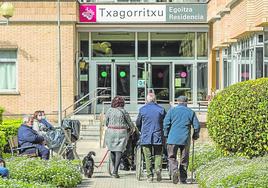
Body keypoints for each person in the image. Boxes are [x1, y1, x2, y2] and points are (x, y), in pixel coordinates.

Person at [163, 96, 200, 184]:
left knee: (171, 157)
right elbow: (197, 126)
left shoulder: (172, 111)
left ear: (177, 102)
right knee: (184, 159)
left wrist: (166, 135)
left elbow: (166, 124)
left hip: (172, 138)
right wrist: (195, 135)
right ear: (186, 102)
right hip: (185, 139)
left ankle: (175, 170)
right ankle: (183, 179)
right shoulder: (191, 112)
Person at [136, 93, 166, 182]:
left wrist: (141, 130)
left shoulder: (142, 109)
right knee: (158, 154)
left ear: (147, 100)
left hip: (146, 135)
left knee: (147, 156)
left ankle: (149, 176)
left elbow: (138, 123)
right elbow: (166, 121)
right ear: (155, 99)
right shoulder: (161, 109)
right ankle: (157, 169)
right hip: (158, 134)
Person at [104, 96, 135, 178]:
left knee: (112, 150)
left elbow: (106, 122)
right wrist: (132, 129)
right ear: (122, 103)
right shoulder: (124, 111)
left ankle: (114, 168)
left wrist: (110, 125)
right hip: (121, 132)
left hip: (110, 132)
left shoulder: (109, 111)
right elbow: (130, 123)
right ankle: (115, 171)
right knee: (118, 151)